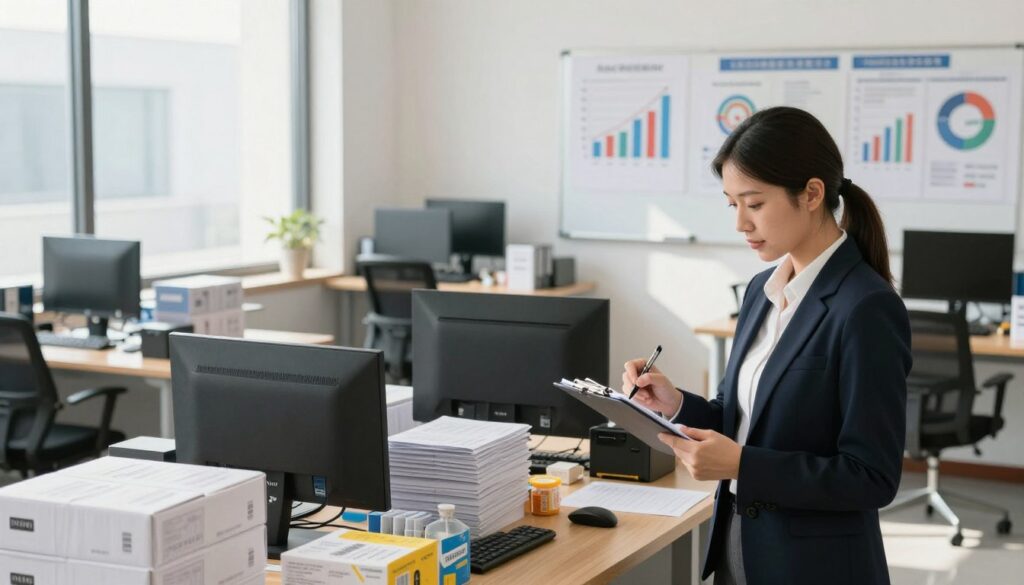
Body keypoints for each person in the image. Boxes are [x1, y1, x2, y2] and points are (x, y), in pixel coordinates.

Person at [622, 106, 911, 585]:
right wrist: (675, 405)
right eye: (731, 204)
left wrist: (741, 464)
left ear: (812, 193)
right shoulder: (761, 290)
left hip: (815, 568)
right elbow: (745, 420)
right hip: (739, 548)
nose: (739, 223)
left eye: (753, 204)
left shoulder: (866, 308)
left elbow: (872, 477)